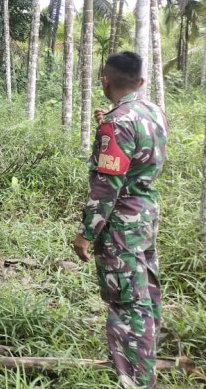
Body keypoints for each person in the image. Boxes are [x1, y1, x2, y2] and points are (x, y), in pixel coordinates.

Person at [73, 51, 168, 389]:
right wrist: (109, 123)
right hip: (145, 216)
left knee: (126, 302)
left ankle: (136, 379)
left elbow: (107, 185)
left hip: (121, 225)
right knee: (146, 294)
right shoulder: (153, 112)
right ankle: (146, 366)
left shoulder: (117, 122)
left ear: (105, 80)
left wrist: (86, 233)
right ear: (141, 81)